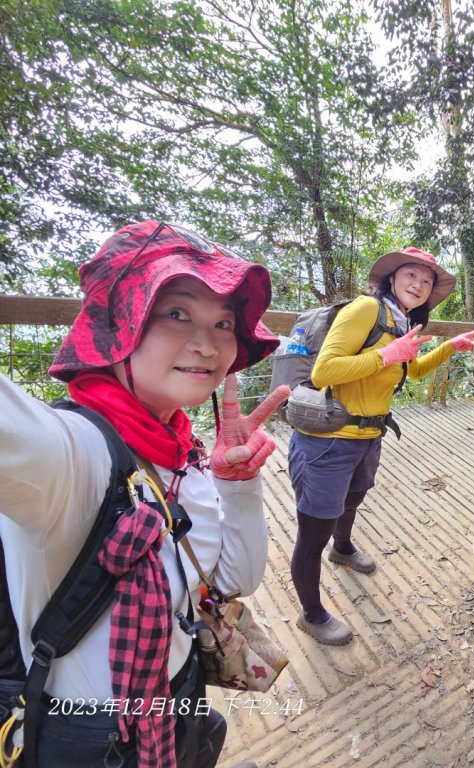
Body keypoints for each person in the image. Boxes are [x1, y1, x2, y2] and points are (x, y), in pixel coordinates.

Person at [0, 220, 290, 767]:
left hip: (178, 692)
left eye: (224, 322)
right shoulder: (69, 455)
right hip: (89, 737)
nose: (208, 344)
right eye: (176, 312)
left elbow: (234, 580)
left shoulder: (182, 451)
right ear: (117, 326)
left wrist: (239, 484)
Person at [287, 247, 474, 645]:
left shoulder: (402, 321)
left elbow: (412, 369)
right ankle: (313, 613)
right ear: (392, 277)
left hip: (368, 437)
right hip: (328, 441)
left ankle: (343, 549)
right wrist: (385, 353)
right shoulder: (365, 310)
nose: (419, 285)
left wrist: (448, 347)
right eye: (412, 275)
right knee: (312, 532)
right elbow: (324, 371)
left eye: (427, 282)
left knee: (353, 500)